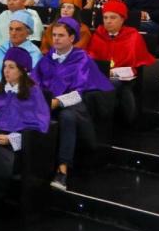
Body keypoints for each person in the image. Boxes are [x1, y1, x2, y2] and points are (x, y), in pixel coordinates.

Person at [32, 17, 115, 191]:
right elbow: (34, 81)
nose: (55, 39)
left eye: (61, 35)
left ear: (72, 38)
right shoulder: (48, 58)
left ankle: (62, 170)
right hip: (48, 102)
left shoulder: (81, 58)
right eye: (54, 35)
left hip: (74, 104)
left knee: (67, 117)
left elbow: (80, 91)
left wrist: (57, 102)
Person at [0, 47, 51, 207]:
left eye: (11, 67)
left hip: (16, 146)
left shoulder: (33, 93)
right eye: (5, 66)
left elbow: (39, 127)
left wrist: (10, 139)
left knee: (0, 159)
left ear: (22, 70)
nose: (6, 71)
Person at [87, 0, 155, 125]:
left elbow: (137, 62)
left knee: (116, 85)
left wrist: (115, 72)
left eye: (113, 17)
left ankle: (103, 121)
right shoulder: (98, 34)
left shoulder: (133, 36)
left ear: (122, 19)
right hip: (100, 75)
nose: (108, 21)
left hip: (125, 78)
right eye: (105, 17)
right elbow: (91, 57)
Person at [0, 11, 42, 84]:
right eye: (11, 29)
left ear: (28, 32)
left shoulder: (34, 53)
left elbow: (33, 79)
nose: (13, 33)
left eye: (18, 29)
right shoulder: (1, 49)